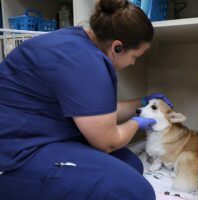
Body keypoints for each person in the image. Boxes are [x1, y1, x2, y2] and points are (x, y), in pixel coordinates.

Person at [0, 0, 173, 199]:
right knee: (135, 191)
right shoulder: (85, 62)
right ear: (117, 47)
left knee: (131, 164)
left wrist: (143, 102)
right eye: (135, 56)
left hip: (41, 135)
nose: (133, 63)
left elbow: (95, 113)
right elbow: (108, 141)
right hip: (15, 153)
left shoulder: (79, 43)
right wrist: (138, 122)